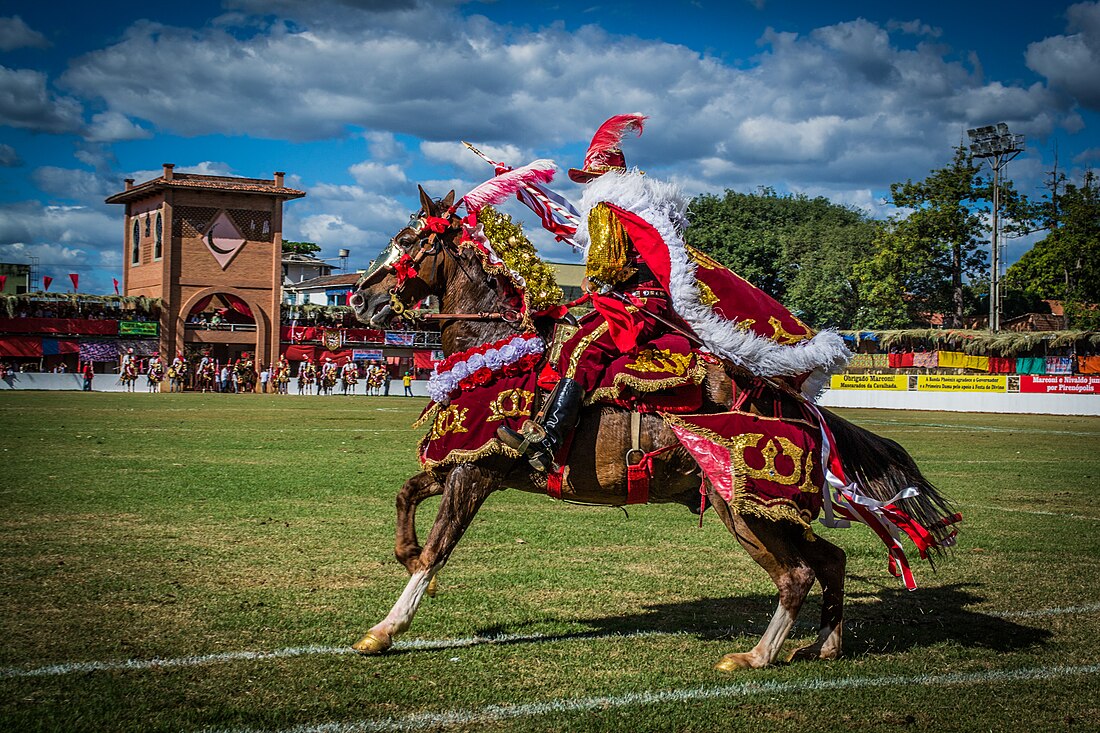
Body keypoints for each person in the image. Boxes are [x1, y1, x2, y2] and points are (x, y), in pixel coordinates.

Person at [498, 113, 849, 471]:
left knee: (580, 350)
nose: (586, 184)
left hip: (634, 306)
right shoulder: (636, 207)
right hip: (644, 300)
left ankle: (550, 441)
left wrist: (594, 280)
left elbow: (608, 264)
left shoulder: (606, 205)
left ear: (602, 178)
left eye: (589, 178)